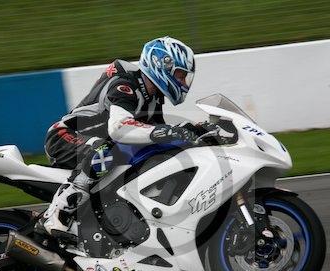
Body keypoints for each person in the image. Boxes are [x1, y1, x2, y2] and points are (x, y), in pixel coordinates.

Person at [39, 36, 212, 239]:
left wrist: (194, 132)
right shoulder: (125, 85)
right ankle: (58, 212)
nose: (183, 82)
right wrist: (167, 132)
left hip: (95, 146)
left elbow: (156, 134)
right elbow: (120, 128)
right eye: (180, 76)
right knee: (106, 151)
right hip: (64, 136)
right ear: (160, 64)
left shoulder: (153, 99)